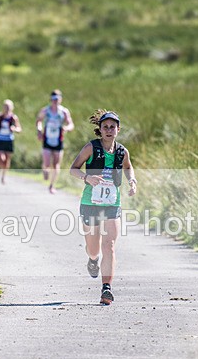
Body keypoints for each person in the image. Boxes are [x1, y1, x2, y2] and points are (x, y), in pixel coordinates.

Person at [70, 110, 137, 305]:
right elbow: (73, 169)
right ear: (100, 129)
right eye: (105, 127)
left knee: (110, 245)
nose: (109, 130)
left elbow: (128, 166)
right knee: (94, 249)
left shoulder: (122, 151)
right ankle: (92, 260)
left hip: (112, 204)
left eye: (112, 127)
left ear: (118, 129)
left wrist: (132, 180)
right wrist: (87, 177)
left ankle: (106, 288)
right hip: (90, 203)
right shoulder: (91, 147)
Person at [36, 89, 74, 194]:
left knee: (56, 164)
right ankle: (45, 169)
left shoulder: (64, 112)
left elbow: (71, 124)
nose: (55, 101)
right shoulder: (45, 111)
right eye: (53, 99)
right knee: (47, 163)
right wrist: (39, 130)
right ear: (50, 100)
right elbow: (38, 121)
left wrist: (67, 128)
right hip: (47, 139)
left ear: (60, 99)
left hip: (58, 140)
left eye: (57, 99)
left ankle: (52, 185)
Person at [0, 99, 22, 184]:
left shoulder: (13, 118)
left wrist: (14, 129)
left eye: (8, 107)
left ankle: (3, 176)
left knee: (7, 160)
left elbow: (19, 129)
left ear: (12, 108)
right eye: (5, 107)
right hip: (0, 139)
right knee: (1, 158)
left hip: (9, 139)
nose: (7, 108)